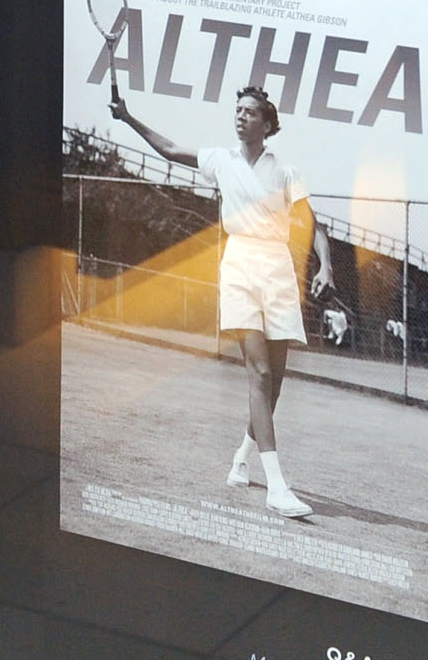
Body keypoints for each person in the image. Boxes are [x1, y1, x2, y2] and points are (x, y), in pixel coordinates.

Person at [109, 83, 336, 521]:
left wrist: (325, 267)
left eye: (250, 112)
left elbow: (313, 225)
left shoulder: (286, 171)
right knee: (259, 370)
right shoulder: (221, 159)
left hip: (279, 271)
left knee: (275, 382)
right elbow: (171, 150)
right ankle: (277, 486)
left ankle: (243, 456)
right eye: (238, 110)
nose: (241, 116)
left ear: (267, 125)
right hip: (239, 265)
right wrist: (128, 117)